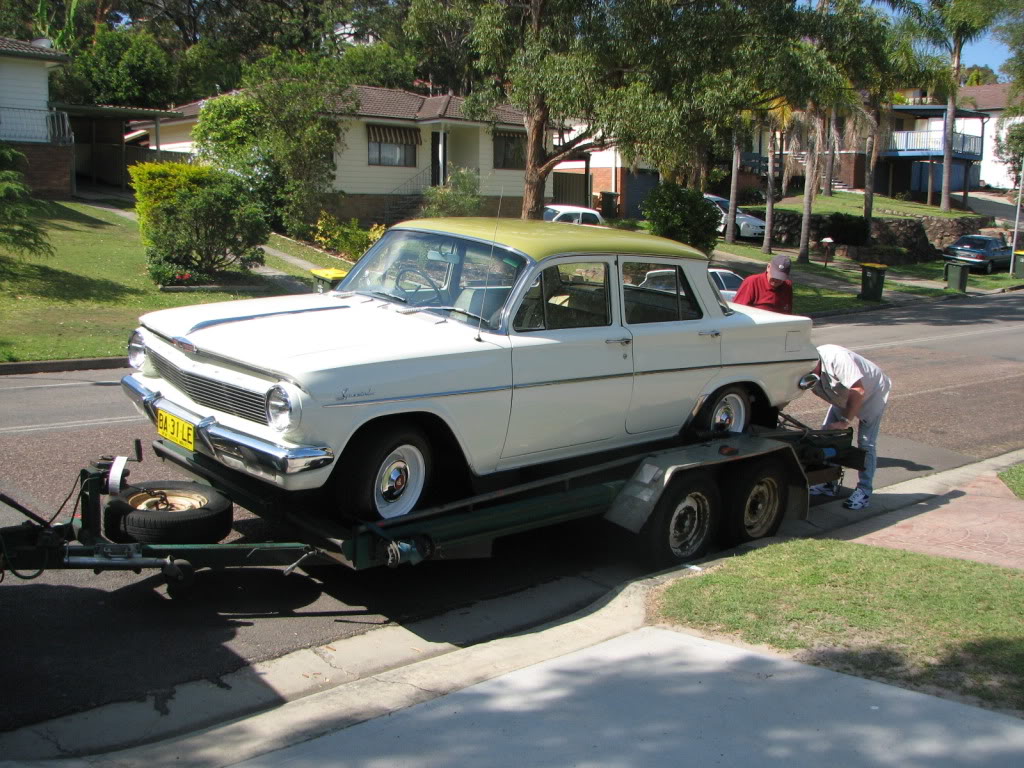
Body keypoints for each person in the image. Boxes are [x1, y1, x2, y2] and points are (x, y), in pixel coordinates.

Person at [807, 344, 891, 510]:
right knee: (828, 435)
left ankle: (864, 491)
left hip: (872, 393)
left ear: (815, 361)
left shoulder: (837, 358)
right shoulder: (807, 366)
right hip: (844, 396)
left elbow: (858, 390)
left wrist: (845, 421)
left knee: (866, 443)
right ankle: (829, 484)